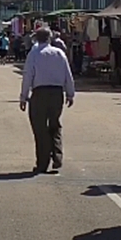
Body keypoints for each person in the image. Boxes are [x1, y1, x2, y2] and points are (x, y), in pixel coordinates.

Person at [20, 28, 75, 174]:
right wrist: (70, 93)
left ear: (36, 39)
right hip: (57, 93)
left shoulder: (34, 54)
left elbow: (28, 76)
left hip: (40, 93)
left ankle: (42, 163)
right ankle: (57, 157)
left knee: (40, 128)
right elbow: (67, 74)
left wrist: (23, 96)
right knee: (55, 125)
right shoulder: (59, 53)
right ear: (49, 38)